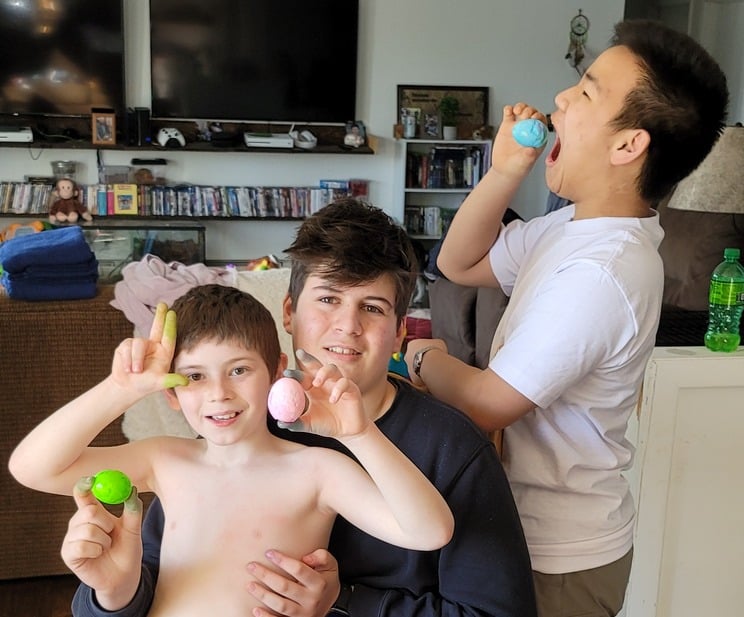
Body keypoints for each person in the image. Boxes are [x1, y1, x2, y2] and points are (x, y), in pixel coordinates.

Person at [62, 198, 537, 616]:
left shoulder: (451, 449)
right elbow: (151, 572)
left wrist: (343, 603)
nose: (347, 326)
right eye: (327, 299)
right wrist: (106, 596)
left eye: (371, 308)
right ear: (288, 312)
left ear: (399, 332)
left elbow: (492, 613)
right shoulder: (237, 419)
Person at [404, 19, 728, 617]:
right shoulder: (572, 228)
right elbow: (458, 261)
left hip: (559, 556)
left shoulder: (605, 271)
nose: (560, 98)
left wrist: (426, 355)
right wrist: (504, 173)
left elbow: (484, 402)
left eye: (585, 91)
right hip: (521, 530)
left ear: (628, 145)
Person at [9, 283, 455, 616]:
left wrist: (360, 435)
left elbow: (429, 532)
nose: (218, 394)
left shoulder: (319, 468)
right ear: (171, 391)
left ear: (277, 370)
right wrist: (118, 389)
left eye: (238, 369)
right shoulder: (164, 459)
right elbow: (33, 469)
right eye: (195, 377)